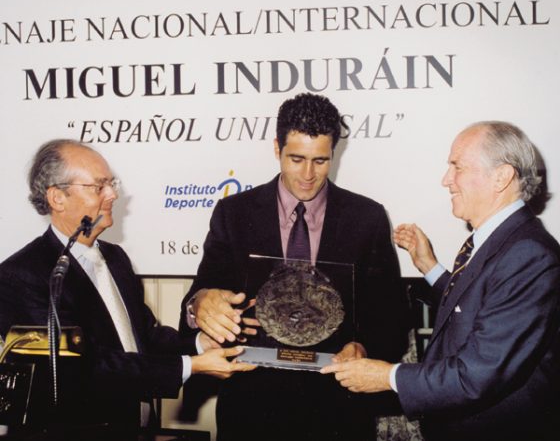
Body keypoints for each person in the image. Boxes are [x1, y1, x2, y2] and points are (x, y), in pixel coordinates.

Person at [179, 93, 410, 441]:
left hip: (339, 411)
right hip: (251, 410)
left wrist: (363, 348)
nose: (307, 175)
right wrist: (200, 305)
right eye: (296, 159)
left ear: (334, 153)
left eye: (320, 161)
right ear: (277, 148)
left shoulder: (367, 218)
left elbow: (392, 318)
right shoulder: (234, 214)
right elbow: (199, 298)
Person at [321, 121, 560, 441]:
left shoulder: (529, 255)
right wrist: (429, 267)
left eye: (457, 166)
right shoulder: (505, 241)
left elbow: (478, 373)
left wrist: (387, 376)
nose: (446, 180)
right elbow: (481, 306)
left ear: (501, 177)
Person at [0, 139, 254, 435]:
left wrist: (200, 344)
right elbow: (82, 368)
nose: (113, 194)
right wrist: (190, 366)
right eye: (99, 186)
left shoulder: (115, 258)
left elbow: (144, 337)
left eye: (111, 184)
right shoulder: (22, 275)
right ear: (57, 198)